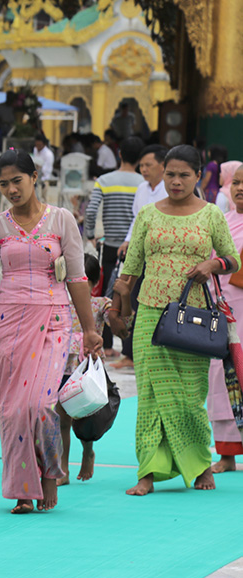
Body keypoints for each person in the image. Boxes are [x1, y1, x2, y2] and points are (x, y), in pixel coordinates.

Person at [0, 150, 103, 514]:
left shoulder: (61, 220)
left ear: (35, 176)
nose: (11, 189)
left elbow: (76, 277)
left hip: (52, 321)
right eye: (3, 184)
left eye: (16, 181)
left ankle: (50, 473)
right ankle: (24, 488)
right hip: (10, 324)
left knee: (40, 405)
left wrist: (89, 329)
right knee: (10, 410)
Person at [112, 145, 239, 496]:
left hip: (194, 319)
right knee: (151, 395)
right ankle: (148, 473)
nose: (176, 181)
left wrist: (212, 265)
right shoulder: (149, 215)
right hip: (151, 315)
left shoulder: (211, 214)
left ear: (199, 176)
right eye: (170, 174)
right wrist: (116, 310)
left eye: (184, 175)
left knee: (189, 395)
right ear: (162, 175)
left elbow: (232, 260)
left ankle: (199, 466)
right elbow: (131, 270)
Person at [82, 136, 143, 355]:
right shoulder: (144, 184)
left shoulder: (105, 180)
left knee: (104, 294)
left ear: (119, 154)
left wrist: (90, 234)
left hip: (110, 246)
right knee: (131, 295)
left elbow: (90, 210)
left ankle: (105, 345)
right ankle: (128, 349)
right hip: (135, 249)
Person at [112, 144, 169, 369]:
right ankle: (129, 353)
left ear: (162, 166)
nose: (143, 169)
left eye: (148, 165)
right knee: (130, 298)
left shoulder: (170, 189)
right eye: (141, 165)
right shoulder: (142, 189)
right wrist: (127, 240)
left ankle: (159, 350)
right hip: (138, 254)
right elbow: (136, 220)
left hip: (160, 256)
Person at [57, 254, 111, 483]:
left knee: (84, 416)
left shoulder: (99, 304)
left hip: (86, 367)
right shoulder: (57, 303)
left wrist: (121, 299)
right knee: (62, 417)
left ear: (93, 283)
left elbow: (118, 321)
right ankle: (62, 468)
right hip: (61, 364)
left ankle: (87, 451)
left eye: (82, 281)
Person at [209, 168, 243, 472]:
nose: (240, 188)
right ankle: (227, 454)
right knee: (222, 377)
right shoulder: (222, 223)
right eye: (238, 182)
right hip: (226, 311)